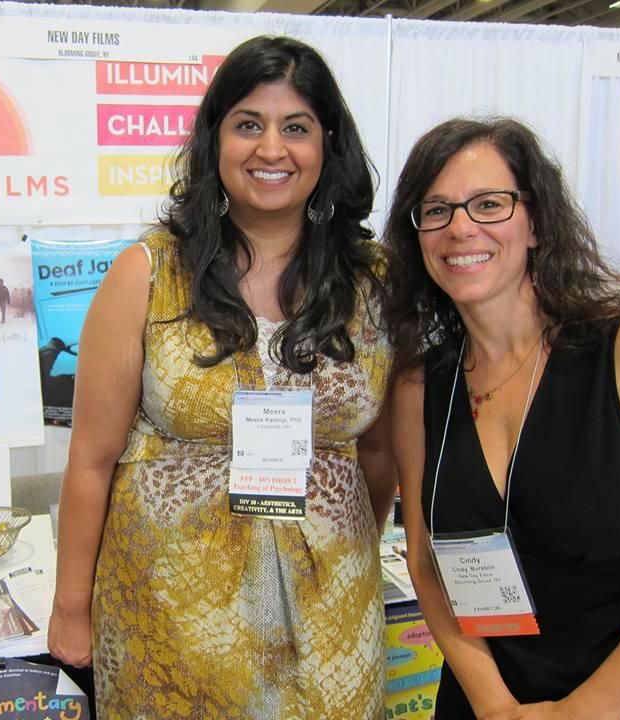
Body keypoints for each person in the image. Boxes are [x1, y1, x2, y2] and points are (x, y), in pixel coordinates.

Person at [47, 35, 395, 718]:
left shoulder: (375, 283)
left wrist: (337, 536)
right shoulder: (146, 274)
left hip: (333, 616)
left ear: (328, 145)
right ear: (215, 141)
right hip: (171, 615)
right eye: (248, 124)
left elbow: (380, 454)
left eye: (296, 127)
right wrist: (71, 608)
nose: (272, 149)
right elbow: (90, 460)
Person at [383, 116, 620, 719]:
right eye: (435, 210)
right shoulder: (418, 386)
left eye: (488, 204)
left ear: (536, 222)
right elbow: (425, 561)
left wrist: (583, 711)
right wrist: (494, 705)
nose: (460, 227)